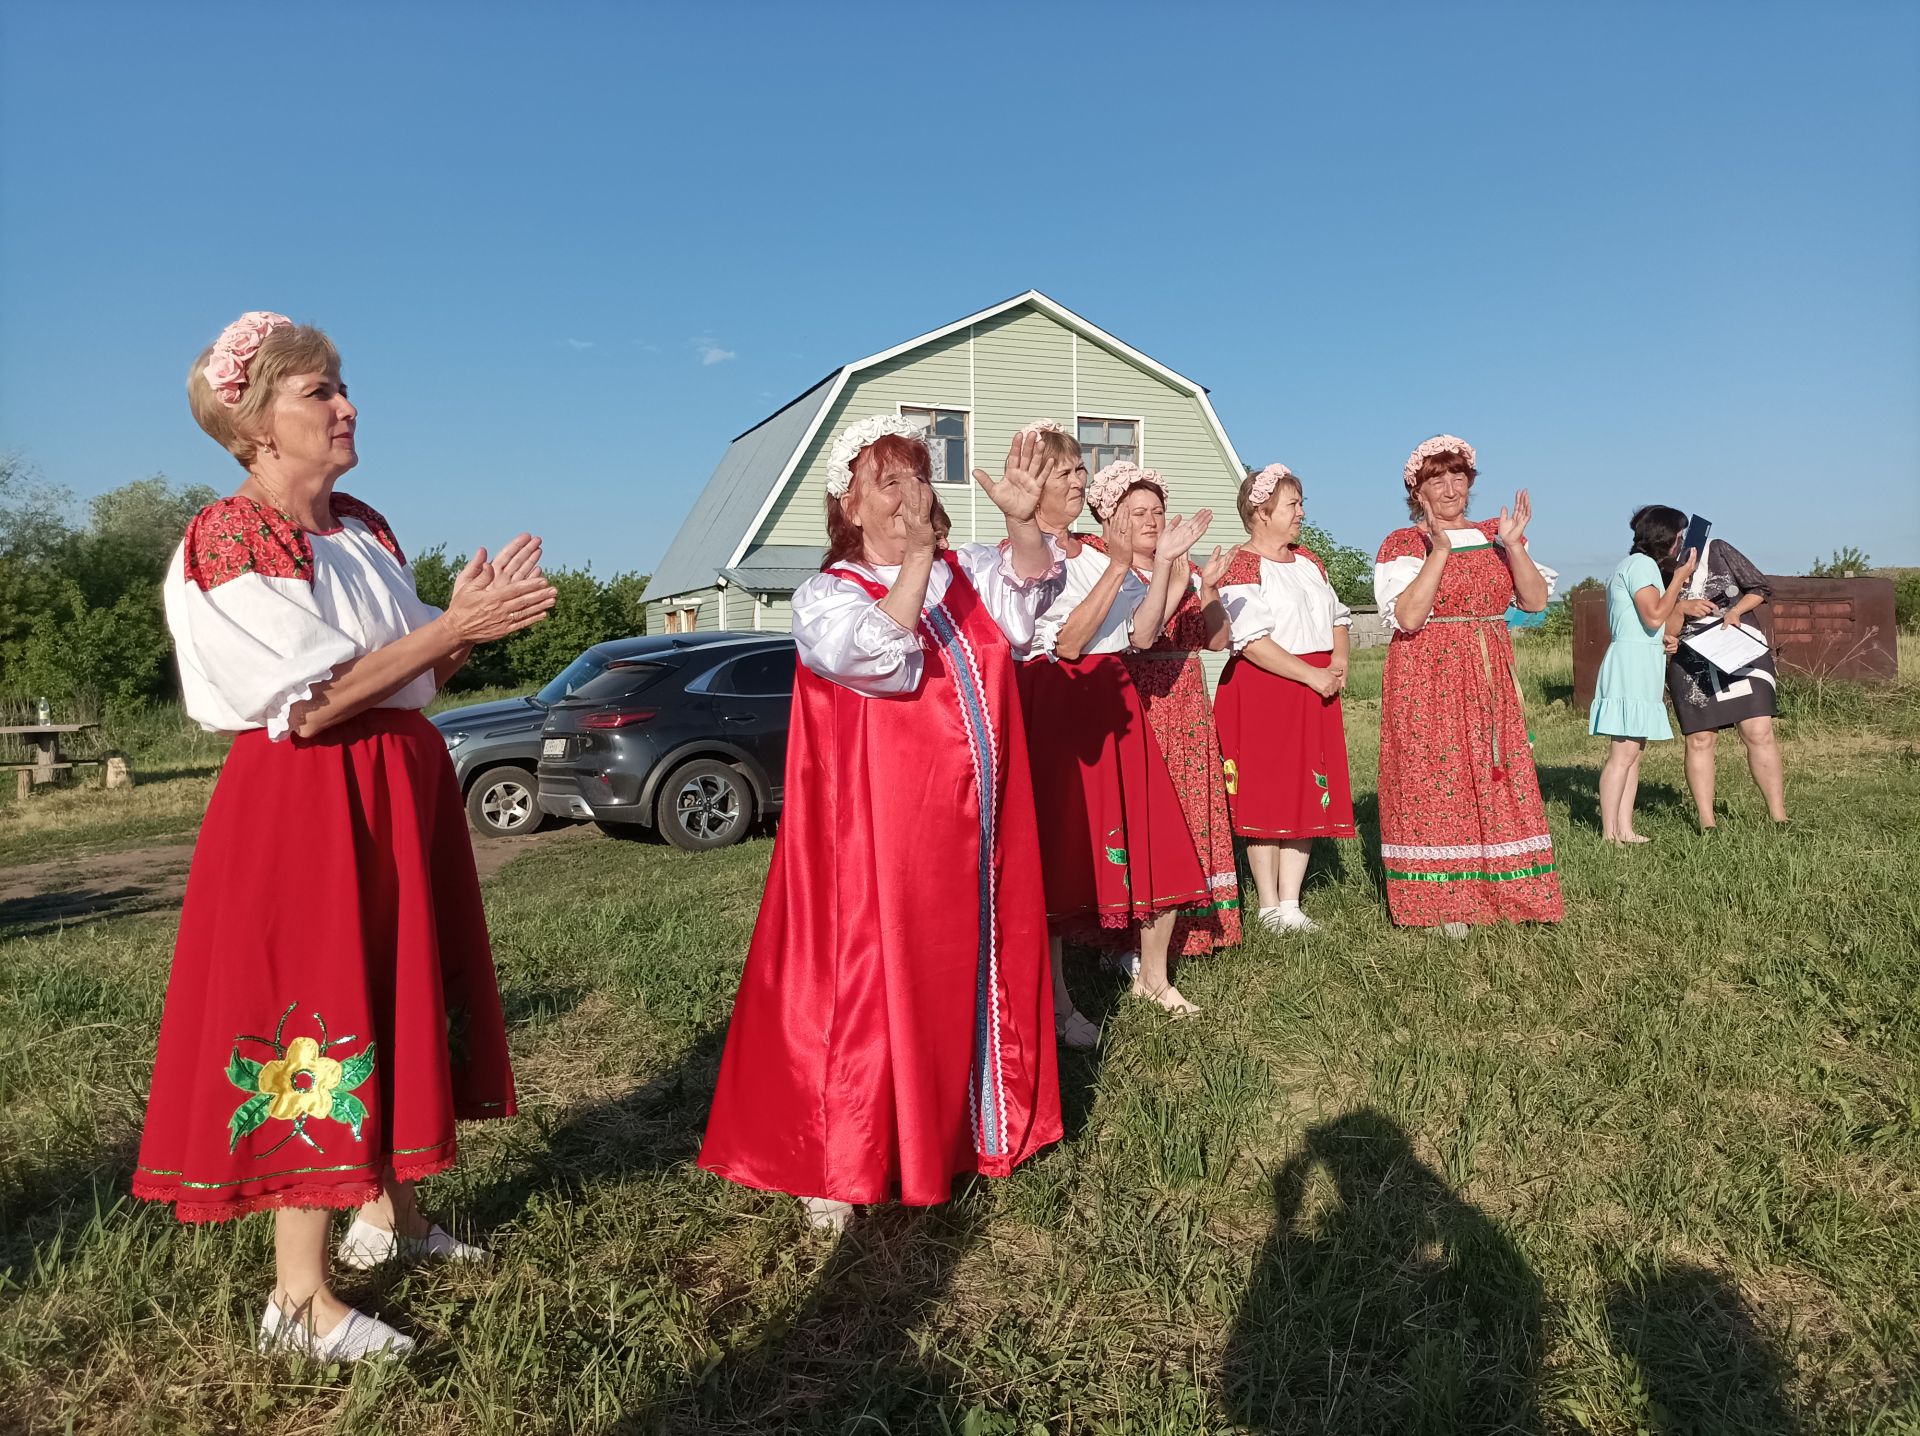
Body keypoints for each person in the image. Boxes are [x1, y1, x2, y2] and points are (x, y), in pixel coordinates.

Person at [134, 311, 557, 1362]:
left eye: (341, 384)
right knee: (316, 1004)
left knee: (395, 981)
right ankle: (299, 1298)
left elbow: (404, 673)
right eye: (318, 390)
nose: (346, 404)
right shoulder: (232, 536)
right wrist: (452, 627)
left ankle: (394, 1214)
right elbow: (313, 700)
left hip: (394, 780)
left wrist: (462, 629)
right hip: (308, 795)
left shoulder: (362, 522)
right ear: (257, 424)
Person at [698, 417, 1067, 1234]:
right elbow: (879, 660)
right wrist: (921, 559)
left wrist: (1019, 523)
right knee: (864, 984)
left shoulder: (967, 574)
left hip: (980, 829)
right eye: (887, 483)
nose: (909, 497)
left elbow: (1029, 597)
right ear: (849, 506)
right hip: (879, 840)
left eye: (918, 478)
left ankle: (970, 1132)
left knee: (974, 968)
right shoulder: (828, 595)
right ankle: (841, 1154)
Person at [1022, 459, 1214, 1019]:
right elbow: (1069, 643)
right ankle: (1057, 1002)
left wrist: (1165, 568)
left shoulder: (1102, 558)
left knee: (1155, 831)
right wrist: (1122, 567)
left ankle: (1152, 979)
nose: (1078, 484)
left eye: (1081, 473)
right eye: (1065, 476)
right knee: (1060, 845)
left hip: (1113, 690)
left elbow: (1144, 633)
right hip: (1058, 697)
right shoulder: (1032, 559)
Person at [1372, 436, 1561, 934]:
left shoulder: (1494, 534)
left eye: (1459, 477)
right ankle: (1439, 902)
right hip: (1427, 672)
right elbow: (1409, 617)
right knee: (1437, 776)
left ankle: (1508, 889)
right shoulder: (1402, 543)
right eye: (1438, 479)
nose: (1451, 488)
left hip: (1488, 669)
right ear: (1418, 491)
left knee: (1497, 773)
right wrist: (1438, 552)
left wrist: (1515, 545)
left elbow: (1536, 600)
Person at [1103, 474, 1243, 959]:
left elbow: (1219, 640)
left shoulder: (1183, 568)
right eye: (1138, 512)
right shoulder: (1113, 571)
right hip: (1139, 702)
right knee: (1143, 817)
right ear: (1114, 518)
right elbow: (1142, 633)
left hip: (1185, 701)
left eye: (1157, 511)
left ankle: (1195, 929)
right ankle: (1130, 938)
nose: (1151, 520)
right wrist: (1173, 576)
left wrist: (1207, 588)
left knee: (1190, 808)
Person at [1215, 465, 1357, 932]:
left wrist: (1337, 663)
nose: (1301, 513)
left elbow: (1339, 615)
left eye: (1300, 503)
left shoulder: (1309, 561)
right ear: (1261, 511)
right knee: (1266, 790)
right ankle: (1268, 903)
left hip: (1314, 684)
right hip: (1266, 687)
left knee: (1305, 788)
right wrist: (1310, 676)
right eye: (1292, 504)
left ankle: (1292, 903)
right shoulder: (1242, 563)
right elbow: (1251, 641)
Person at [1590, 506, 1707, 842]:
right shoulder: (1641, 566)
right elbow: (1654, 615)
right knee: (1623, 753)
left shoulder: (1639, 567)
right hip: (1630, 664)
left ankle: (1624, 828)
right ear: (1667, 538)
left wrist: (1664, 641)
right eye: (1680, 537)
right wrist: (1682, 577)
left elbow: (1649, 625)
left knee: (1634, 753)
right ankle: (1610, 832)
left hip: (1642, 659)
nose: (1682, 544)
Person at [1661, 531, 1790, 828]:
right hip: (1692, 659)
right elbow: (1662, 624)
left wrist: (1736, 611)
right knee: (1700, 739)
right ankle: (1708, 824)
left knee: (1759, 731)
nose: (1675, 542)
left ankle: (1780, 817)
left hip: (1739, 651)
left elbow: (1759, 588)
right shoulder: (1656, 569)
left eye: (1678, 535)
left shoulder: (1717, 549)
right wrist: (1681, 608)